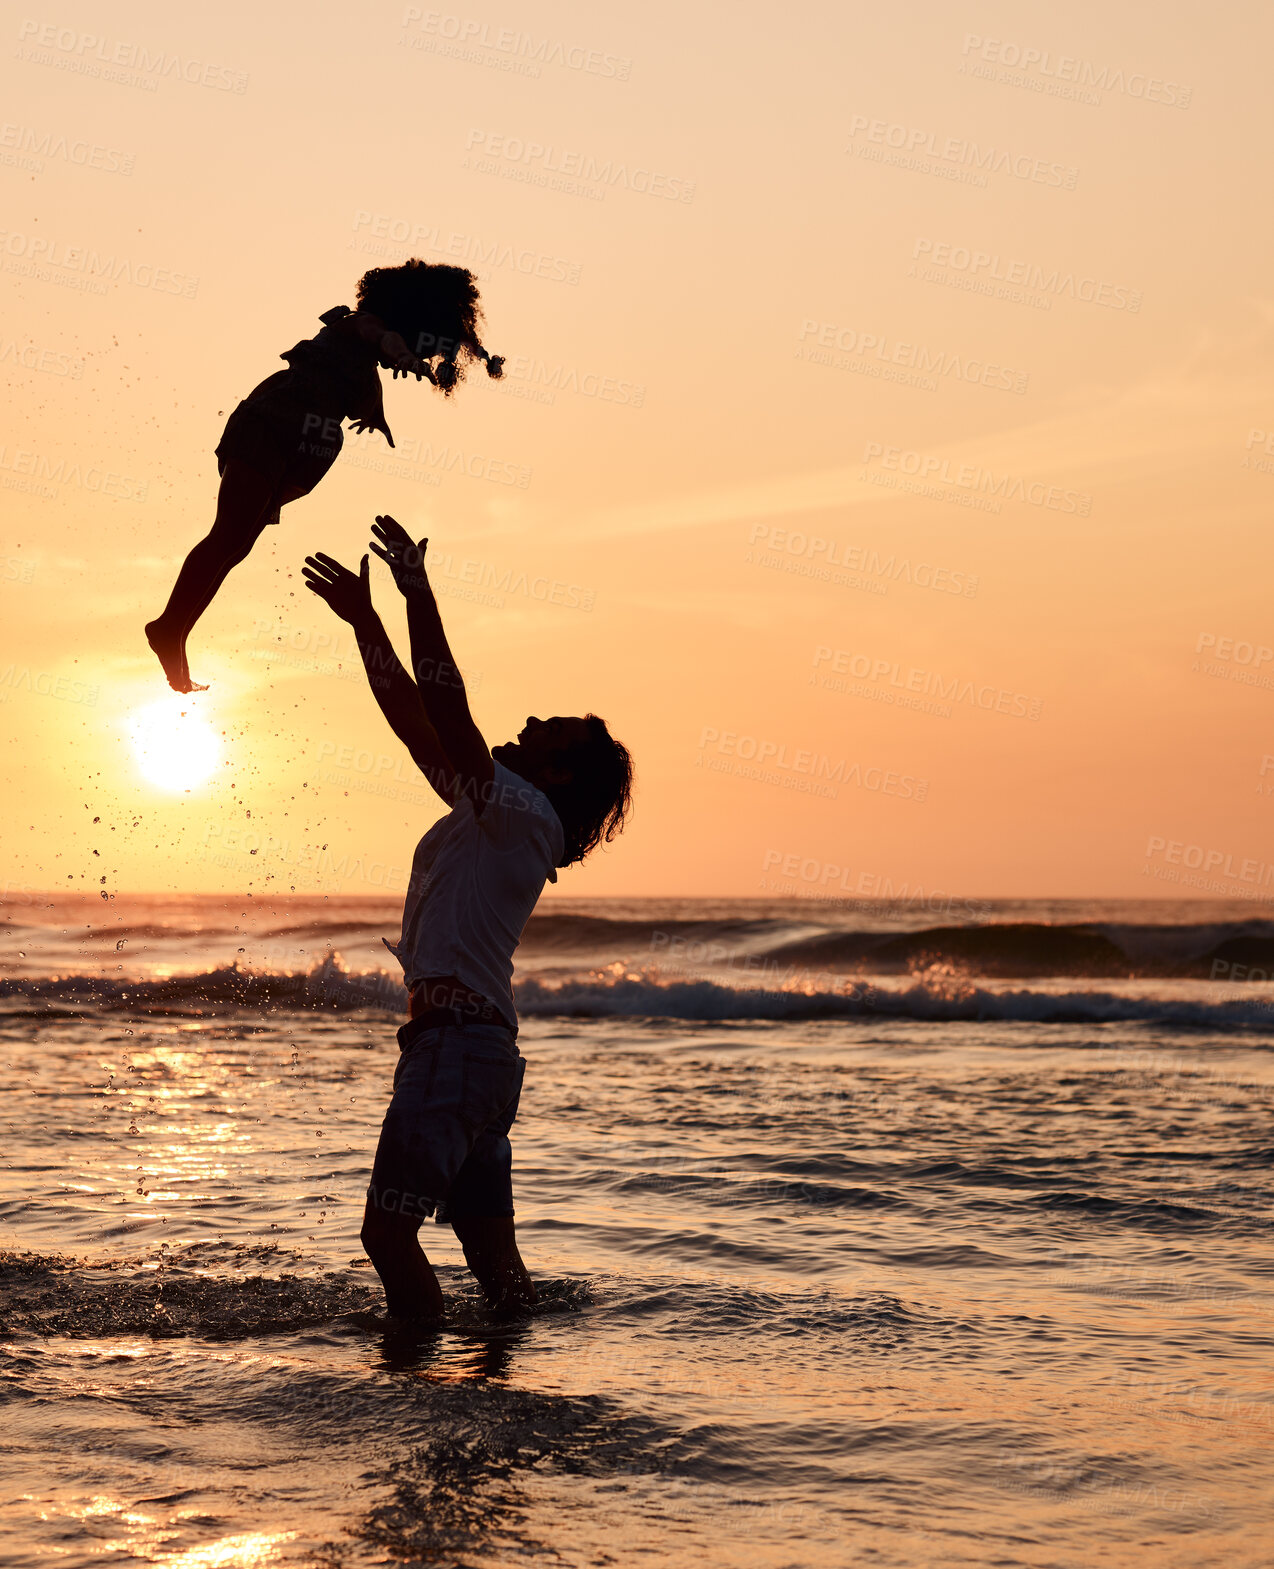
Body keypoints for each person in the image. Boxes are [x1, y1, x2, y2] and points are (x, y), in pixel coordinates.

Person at [302, 515, 633, 1321]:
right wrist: (369, 623)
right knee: (495, 1268)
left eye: (542, 732)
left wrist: (418, 594)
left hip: (455, 1050)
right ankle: (505, 1396)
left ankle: (414, 1388)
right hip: (473, 1050)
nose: (522, 728)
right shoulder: (496, 813)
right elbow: (418, 722)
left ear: (558, 770)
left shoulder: (523, 814)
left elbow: (449, 708)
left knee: (388, 1236)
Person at [146, 262, 505, 693]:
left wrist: (379, 417)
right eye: (422, 343)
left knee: (237, 545)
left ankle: (176, 631)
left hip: (300, 449)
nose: (423, 354)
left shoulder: (366, 367)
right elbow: (382, 338)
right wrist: (404, 356)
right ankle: (168, 628)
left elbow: (369, 389)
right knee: (227, 537)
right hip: (273, 425)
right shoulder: (360, 325)